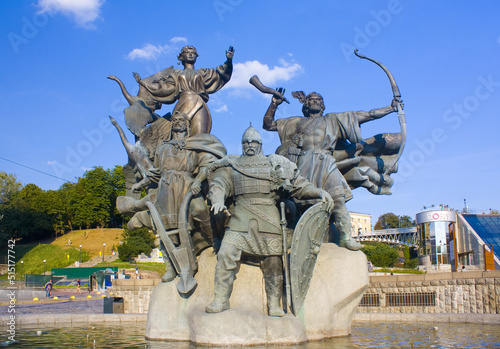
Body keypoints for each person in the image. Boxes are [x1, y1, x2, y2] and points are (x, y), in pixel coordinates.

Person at [205, 125, 333, 316]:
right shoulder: (231, 165)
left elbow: (299, 186)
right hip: (241, 218)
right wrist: (217, 200)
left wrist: (319, 192)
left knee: (274, 263)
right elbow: (219, 185)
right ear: (241, 144)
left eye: (253, 141)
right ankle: (221, 299)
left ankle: (274, 304)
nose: (249, 145)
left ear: (260, 144)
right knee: (225, 254)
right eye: (245, 142)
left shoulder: (274, 164)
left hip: (269, 219)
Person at [263, 91, 401, 251]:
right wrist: (274, 103)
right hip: (303, 164)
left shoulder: (334, 120)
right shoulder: (296, 122)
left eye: (318, 99)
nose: (315, 101)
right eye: (311, 99)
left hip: (326, 163)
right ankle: (295, 236)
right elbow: (268, 124)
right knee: (298, 204)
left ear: (322, 104)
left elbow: (367, 115)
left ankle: (346, 237)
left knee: (338, 199)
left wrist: (391, 108)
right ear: (306, 104)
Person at [116, 112, 226, 282]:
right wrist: (141, 184)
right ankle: (170, 267)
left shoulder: (194, 145)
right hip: (166, 188)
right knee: (163, 227)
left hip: (187, 185)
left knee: (200, 211)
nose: (177, 123)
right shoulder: (163, 147)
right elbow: (156, 172)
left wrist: (198, 181)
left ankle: (215, 242)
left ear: (187, 125)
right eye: (174, 120)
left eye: (181, 120)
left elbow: (206, 166)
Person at [135, 45, 234, 136]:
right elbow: (164, 89)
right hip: (182, 105)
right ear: (181, 57)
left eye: (193, 53)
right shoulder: (176, 74)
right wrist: (144, 83)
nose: (191, 54)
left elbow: (220, 75)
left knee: (200, 135)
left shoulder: (203, 73)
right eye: (187, 52)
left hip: (198, 104)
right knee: (179, 135)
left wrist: (229, 61)